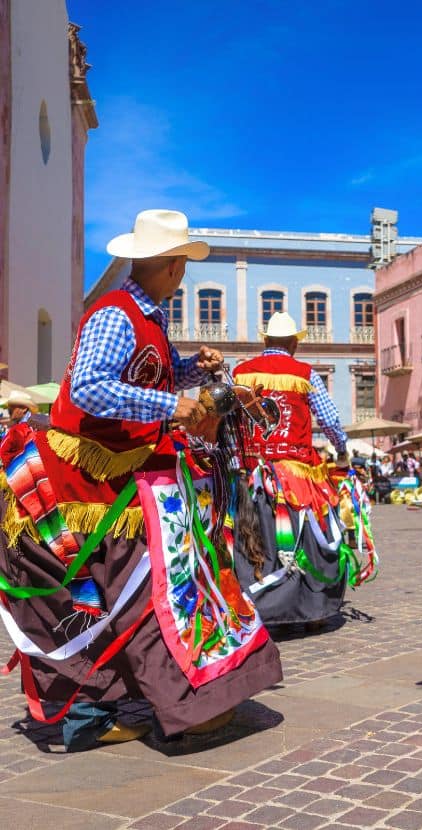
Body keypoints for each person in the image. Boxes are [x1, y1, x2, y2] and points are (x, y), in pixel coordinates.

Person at [0, 209, 282, 750]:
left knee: (130, 588)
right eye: (181, 268)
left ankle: (149, 697)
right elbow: (89, 388)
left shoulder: (147, 317)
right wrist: (173, 403)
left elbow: (152, 374)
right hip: (84, 480)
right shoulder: (116, 313)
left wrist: (193, 372)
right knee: (126, 589)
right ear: (174, 267)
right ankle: (117, 708)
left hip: (118, 475)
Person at [231, 311, 353, 628]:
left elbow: (231, 422)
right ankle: (312, 612)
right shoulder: (305, 373)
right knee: (309, 539)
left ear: (266, 340)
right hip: (295, 474)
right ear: (292, 343)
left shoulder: (242, 373)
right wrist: (341, 449)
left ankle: (259, 608)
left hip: (252, 474)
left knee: (256, 539)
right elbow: (328, 419)